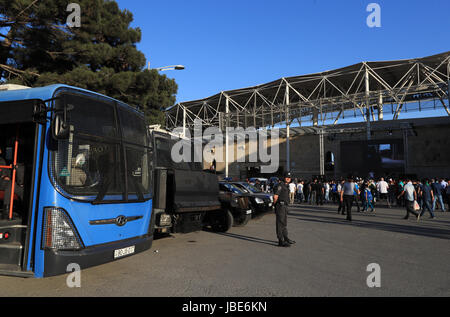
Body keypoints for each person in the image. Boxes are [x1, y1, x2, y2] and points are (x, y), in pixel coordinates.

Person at [273, 172, 296, 247]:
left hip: (285, 206)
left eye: (289, 177)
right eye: (286, 177)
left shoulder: (286, 185)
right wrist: (275, 205)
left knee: (284, 223)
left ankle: (286, 238)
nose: (288, 178)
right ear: (284, 177)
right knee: (280, 223)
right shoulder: (280, 185)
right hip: (280, 206)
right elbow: (275, 196)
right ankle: (280, 240)